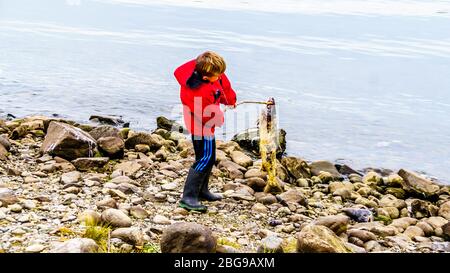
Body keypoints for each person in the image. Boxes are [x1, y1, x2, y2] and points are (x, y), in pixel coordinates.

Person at [174, 51, 237, 212]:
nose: (221, 76)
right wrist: (219, 118)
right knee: (205, 158)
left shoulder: (212, 73)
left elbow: (223, 86)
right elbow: (207, 115)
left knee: (209, 157)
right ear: (206, 77)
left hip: (204, 121)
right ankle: (188, 197)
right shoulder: (197, 91)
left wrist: (230, 101)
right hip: (200, 124)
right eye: (218, 75)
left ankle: (202, 190)